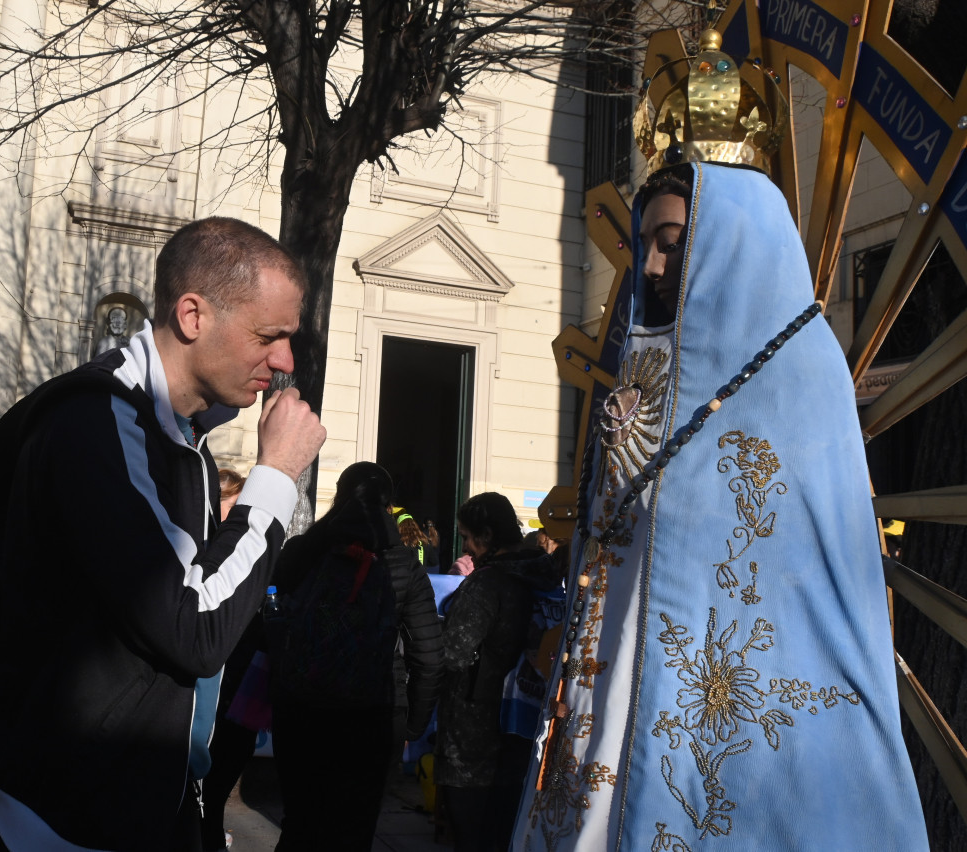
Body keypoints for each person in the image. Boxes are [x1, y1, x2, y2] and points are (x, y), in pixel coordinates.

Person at [511, 44, 927, 846]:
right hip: (609, 703)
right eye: (648, 243)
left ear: (736, 237)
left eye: (673, 241)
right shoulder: (643, 364)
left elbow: (807, 574)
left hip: (719, 705)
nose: (655, 264)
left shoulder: (800, 373)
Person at [0, 216, 325, 852]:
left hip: (140, 800)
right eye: (269, 335)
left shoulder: (178, 438)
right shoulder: (97, 425)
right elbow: (195, 628)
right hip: (75, 818)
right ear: (192, 316)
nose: (285, 361)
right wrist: (274, 478)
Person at [269, 462, 443, 852]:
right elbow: (429, 655)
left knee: (300, 821)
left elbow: (269, 620)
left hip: (301, 708)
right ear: (389, 504)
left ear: (339, 494)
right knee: (354, 828)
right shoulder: (404, 566)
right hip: (374, 713)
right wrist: (413, 724)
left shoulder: (303, 551)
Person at [435, 492, 560, 852]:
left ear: (486, 536)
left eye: (466, 536)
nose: (465, 546)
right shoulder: (545, 576)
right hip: (526, 726)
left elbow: (453, 653)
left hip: (475, 733)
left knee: (474, 835)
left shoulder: (488, 583)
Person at [199, 467, 254, 852]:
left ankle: (211, 832)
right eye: (232, 509)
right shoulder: (200, 551)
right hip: (210, 688)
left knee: (221, 776)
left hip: (237, 688)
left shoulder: (244, 552)